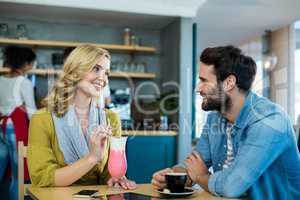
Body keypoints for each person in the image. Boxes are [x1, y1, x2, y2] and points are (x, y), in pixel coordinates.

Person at [151, 46, 300, 199]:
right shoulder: (215, 119)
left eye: (204, 81)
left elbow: (231, 186)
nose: (198, 89)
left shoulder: (269, 120)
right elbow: (195, 164)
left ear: (229, 82)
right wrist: (173, 177)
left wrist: (201, 176)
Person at [27, 44, 136, 189]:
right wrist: (92, 158)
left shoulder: (111, 119)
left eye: (106, 73)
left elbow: (106, 174)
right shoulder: (42, 119)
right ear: (75, 71)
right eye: (96, 69)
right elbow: (42, 178)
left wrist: (115, 179)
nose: (103, 79)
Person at [0, 46, 37, 200]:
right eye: (32, 63)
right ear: (26, 63)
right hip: (15, 129)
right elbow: (31, 112)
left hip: (1, 126)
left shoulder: (0, 79)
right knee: (18, 176)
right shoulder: (24, 82)